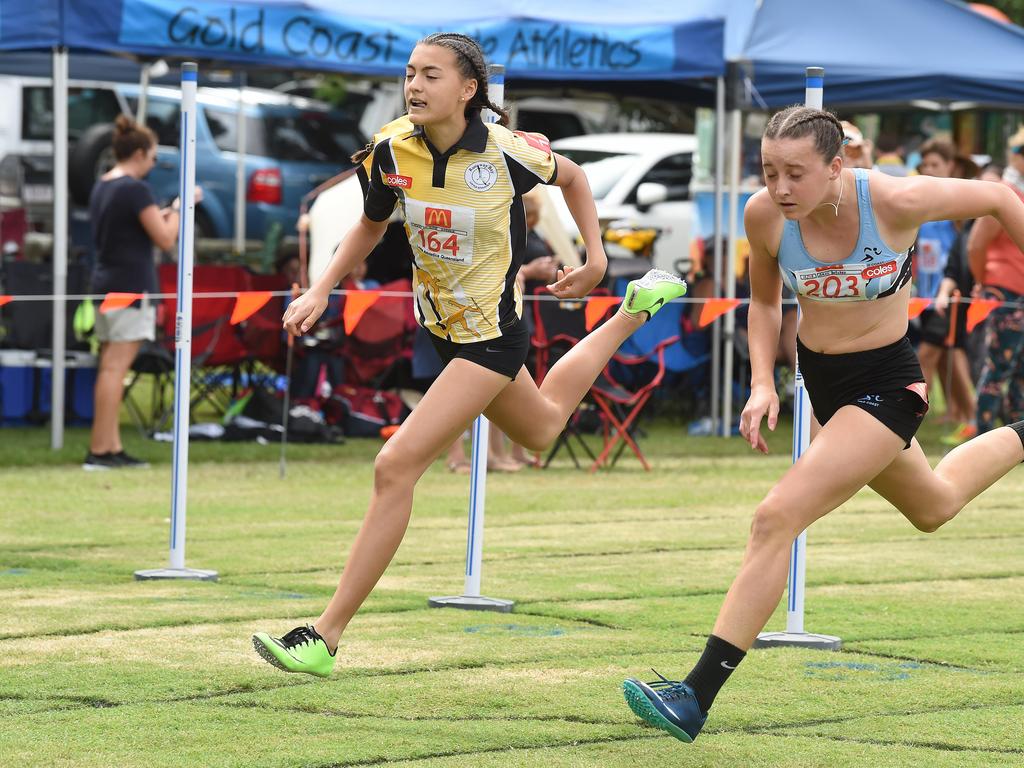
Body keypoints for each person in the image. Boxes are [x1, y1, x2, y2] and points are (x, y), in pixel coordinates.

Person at [252, 32, 685, 676]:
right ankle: (633, 311)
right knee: (540, 430)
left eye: (431, 75)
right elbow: (371, 225)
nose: (415, 86)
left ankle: (324, 635)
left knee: (394, 466)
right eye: (409, 74)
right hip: (442, 329)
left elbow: (572, 176)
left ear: (468, 90)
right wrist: (321, 287)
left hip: (492, 337)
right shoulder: (391, 151)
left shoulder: (507, 153)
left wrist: (594, 257)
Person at [622, 106, 1024, 743]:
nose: (779, 188)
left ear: (838, 168)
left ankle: (694, 695)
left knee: (775, 517)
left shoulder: (895, 200)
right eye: (769, 171)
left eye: (796, 174)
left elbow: (1001, 197)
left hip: (888, 386)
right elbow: (760, 301)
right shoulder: (764, 216)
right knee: (936, 504)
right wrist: (759, 383)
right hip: (824, 382)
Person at [83, 115, 198, 471]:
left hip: (106, 285)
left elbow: (130, 227)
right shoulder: (135, 189)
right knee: (115, 370)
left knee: (110, 367)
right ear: (139, 153)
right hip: (130, 288)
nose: (153, 164)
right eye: (151, 157)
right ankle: (101, 450)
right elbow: (165, 238)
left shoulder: (104, 184)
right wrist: (180, 208)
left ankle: (109, 446)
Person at [913, 139, 975, 428]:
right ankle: (958, 413)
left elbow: (966, 248)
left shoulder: (958, 201)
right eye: (925, 164)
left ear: (950, 166)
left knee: (931, 353)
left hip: (950, 294)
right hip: (925, 295)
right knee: (945, 356)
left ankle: (910, 414)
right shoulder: (921, 202)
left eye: (935, 164)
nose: (929, 169)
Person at [968, 129, 1024, 436]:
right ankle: (984, 436)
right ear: (1013, 154)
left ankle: (1016, 441)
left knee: (1021, 375)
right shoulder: (1004, 193)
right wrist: (983, 283)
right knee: (997, 369)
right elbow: (975, 245)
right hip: (1005, 291)